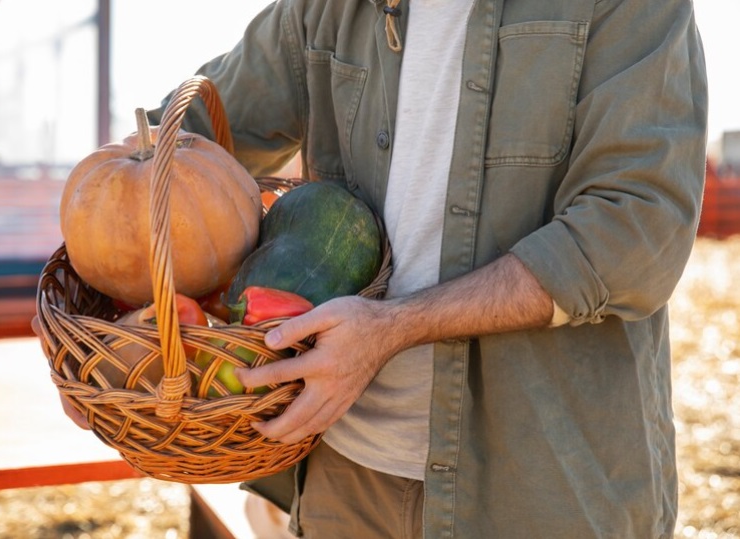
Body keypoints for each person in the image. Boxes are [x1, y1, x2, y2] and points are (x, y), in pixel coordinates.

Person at [144, 0, 708, 537]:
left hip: (546, 488)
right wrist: (105, 312)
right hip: (344, 479)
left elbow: (634, 229)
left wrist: (394, 329)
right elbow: (178, 145)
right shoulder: (323, 10)